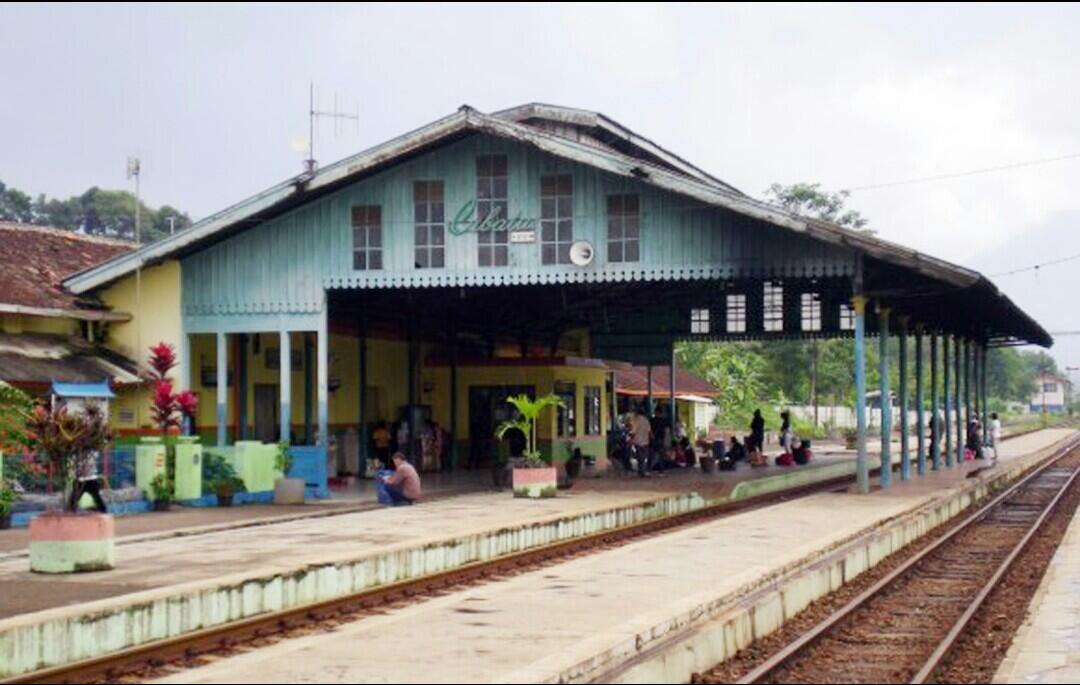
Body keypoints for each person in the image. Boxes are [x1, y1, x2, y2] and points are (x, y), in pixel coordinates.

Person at [69, 448, 108, 513]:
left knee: (96, 498)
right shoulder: (92, 452)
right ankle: (103, 511)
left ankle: (103, 511)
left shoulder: (89, 452)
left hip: (87, 479)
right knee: (74, 500)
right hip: (83, 479)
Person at [630, 408, 653, 477]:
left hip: (638, 441)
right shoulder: (646, 420)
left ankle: (641, 471)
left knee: (639, 457)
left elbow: (633, 431)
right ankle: (643, 470)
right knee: (644, 457)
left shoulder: (636, 420)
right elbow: (649, 431)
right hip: (646, 441)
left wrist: (630, 439)